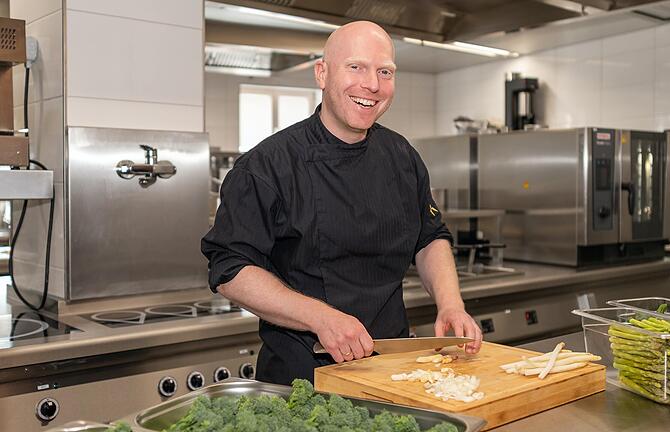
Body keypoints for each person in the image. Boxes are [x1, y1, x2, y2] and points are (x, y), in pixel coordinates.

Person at [201, 21, 482, 386]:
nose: (372, 85)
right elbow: (230, 268)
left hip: (393, 369)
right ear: (322, 73)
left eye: (385, 72)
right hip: (302, 379)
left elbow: (429, 237)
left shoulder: (402, 156)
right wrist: (321, 318)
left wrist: (450, 304)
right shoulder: (266, 166)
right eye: (356, 67)